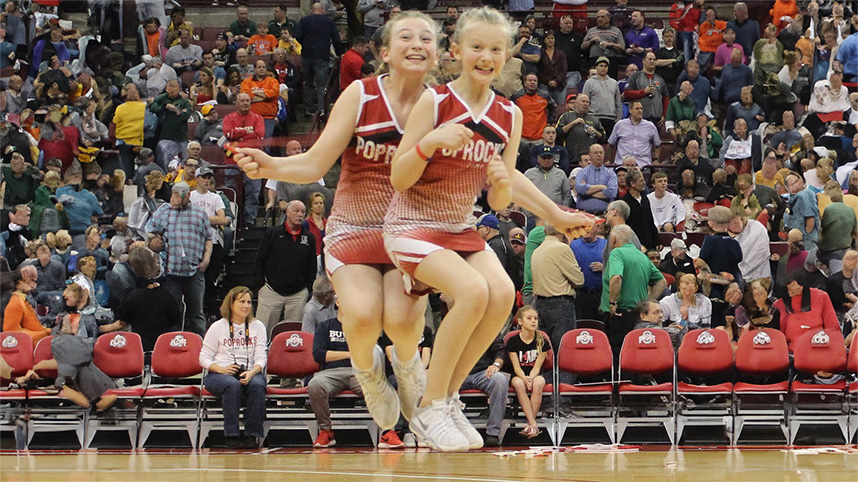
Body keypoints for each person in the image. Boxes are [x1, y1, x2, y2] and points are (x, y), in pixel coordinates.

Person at [383, 7, 593, 452]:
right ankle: (428, 403)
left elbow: (501, 193)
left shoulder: (509, 115)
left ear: (507, 56)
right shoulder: (434, 101)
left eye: (495, 48)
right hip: (411, 224)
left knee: (502, 295)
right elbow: (399, 176)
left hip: (459, 227)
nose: (485, 55)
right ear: (457, 51)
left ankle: (448, 396)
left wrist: (553, 214)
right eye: (476, 46)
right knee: (473, 292)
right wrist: (429, 143)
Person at [237, 12, 440, 444]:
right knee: (365, 314)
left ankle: (407, 377)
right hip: (354, 225)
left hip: (407, 229)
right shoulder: (360, 95)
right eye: (407, 36)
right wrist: (271, 164)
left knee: (405, 328)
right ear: (385, 52)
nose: (418, 43)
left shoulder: (442, 104)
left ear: (436, 53)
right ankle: (368, 375)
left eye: (427, 37)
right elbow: (316, 162)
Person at [199, 287, 268, 449]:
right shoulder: (217, 327)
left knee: (258, 385)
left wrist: (252, 372)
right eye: (242, 302)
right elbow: (203, 357)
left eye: (249, 302)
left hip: (250, 371)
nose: (246, 306)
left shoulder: (258, 326)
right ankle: (231, 434)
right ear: (231, 304)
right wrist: (220, 369)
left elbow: (261, 357)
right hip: (219, 373)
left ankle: (252, 435)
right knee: (232, 384)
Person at [148, 182, 212, 336]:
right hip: (171, 270)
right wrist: (154, 241)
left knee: (196, 311)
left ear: (188, 195)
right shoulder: (163, 212)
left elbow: (209, 238)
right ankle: (172, 343)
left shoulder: (200, 213)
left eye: (179, 194)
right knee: (173, 311)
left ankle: (202, 345)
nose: (175, 198)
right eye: (173, 193)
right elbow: (151, 232)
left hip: (195, 269)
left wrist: (206, 260)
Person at [602, 224, 666, 356]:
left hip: (619, 315)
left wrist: (612, 303)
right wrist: (647, 302)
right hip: (638, 315)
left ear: (613, 239)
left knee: (618, 354)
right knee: (635, 354)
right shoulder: (642, 256)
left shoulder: (617, 253)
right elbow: (661, 281)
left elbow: (616, 277)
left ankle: (619, 377)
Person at [254, 200, 316, 334]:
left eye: (303, 212)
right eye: (296, 211)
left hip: (298, 295)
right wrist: (261, 285)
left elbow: (312, 267)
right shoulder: (272, 234)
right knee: (262, 333)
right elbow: (260, 260)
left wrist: (307, 289)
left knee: (294, 335)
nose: (300, 214)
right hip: (271, 291)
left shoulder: (309, 238)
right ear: (287, 212)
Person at [531, 223, 584, 353]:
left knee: (545, 351)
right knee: (564, 351)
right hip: (560, 305)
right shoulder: (562, 249)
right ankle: (563, 374)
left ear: (544, 231)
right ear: (562, 231)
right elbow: (579, 280)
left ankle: (548, 375)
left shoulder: (537, 251)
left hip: (539, 304)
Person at [458, 334, 508, 448]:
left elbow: (500, 351)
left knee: (499, 380)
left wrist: (496, 365)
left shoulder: (489, 326)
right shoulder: (453, 326)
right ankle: (449, 431)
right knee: (441, 382)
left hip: (483, 372)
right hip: (457, 373)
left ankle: (493, 433)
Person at [505, 306, 548, 439]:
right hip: (519, 375)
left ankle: (530, 422)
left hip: (535, 374)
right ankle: (533, 424)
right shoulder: (513, 341)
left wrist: (530, 378)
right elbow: (516, 367)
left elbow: (537, 367)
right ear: (520, 322)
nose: (533, 321)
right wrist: (524, 378)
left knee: (538, 382)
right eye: (529, 318)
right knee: (518, 384)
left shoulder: (542, 341)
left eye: (535, 318)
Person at [222, 93, 265, 228]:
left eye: (248, 101)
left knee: (253, 194)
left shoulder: (258, 118)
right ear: (236, 103)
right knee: (231, 193)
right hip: (231, 163)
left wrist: (238, 134)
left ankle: (249, 223)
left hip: (252, 162)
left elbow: (259, 135)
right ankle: (232, 221)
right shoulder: (229, 118)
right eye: (242, 101)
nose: (245, 103)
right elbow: (228, 134)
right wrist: (246, 132)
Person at [773, 270, 840, 351]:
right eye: (788, 288)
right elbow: (776, 336)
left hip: (819, 350)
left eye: (794, 285)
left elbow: (833, 328)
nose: (792, 290)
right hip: (790, 353)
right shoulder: (778, 304)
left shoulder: (821, 297)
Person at [295, 3, 341, 117]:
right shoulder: (329, 21)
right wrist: (339, 53)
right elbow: (336, 38)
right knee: (321, 84)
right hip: (322, 55)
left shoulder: (304, 21)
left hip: (307, 55)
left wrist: (305, 44)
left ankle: (308, 108)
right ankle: (321, 109)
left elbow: (298, 36)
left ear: (311, 10)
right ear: (323, 10)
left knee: (308, 82)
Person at [2, 268, 51, 343]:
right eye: (29, 281)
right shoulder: (15, 301)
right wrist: (43, 333)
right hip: (23, 344)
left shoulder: (23, 298)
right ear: (20, 282)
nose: (32, 284)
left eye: (34, 281)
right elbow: (11, 332)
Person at [555, 93, 605, 166]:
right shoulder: (566, 116)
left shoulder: (594, 119)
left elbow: (603, 138)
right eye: (583, 101)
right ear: (576, 103)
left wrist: (595, 131)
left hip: (590, 160)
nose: (585, 104)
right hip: (571, 158)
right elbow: (558, 134)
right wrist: (572, 123)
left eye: (587, 102)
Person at [608, 101, 661, 168]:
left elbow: (657, 145)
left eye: (641, 109)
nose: (640, 111)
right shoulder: (620, 125)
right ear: (630, 110)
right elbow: (611, 144)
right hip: (622, 165)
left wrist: (656, 159)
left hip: (643, 165)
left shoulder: (650, 126)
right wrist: (610, 160)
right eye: (637, 108)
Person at [582, 56, 622, 135]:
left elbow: (618, 103)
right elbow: (584, 102)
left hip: (610, 118)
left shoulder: (614, 83)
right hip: (594, 117)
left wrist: (619, 118)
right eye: (601, 66)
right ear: (596, 67)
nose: (603, 68)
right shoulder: (589, 82)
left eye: (605, 66)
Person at [575, 143, 618, 214]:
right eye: (595, 153)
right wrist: (602, 187)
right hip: (584, 214)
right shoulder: (582, 173)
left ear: (604, 154)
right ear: (590, 155)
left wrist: (587, 193)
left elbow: (612, 193)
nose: (599, 155)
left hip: (604, 215)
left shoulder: (611, 174)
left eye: (601, 153)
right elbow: (579, 189)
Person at [621, 168, 658, 250]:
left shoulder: (645, 199)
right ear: (632, 184)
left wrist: (656, 241)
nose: (644, 183)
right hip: (633, 245)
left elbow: (650, 221)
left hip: (649, 242)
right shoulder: (624, 202)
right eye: (641, 181)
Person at [728, 214, 772, 282]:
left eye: (736, 222)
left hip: (760, 277)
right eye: (731, 224)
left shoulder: (757, 228)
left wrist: (737, 275)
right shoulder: (731, 239)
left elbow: (758, 258)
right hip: (739, 278)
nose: (734, 226)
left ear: (741, 218)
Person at [784, 171, 821, 251]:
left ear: (801, 180)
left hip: (806, 244)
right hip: (796, 243)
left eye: (796, 181)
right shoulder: (791, 198)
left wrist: (805, 237)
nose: (796, 184)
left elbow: (810, 220)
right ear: (788, 188)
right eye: (791, 184)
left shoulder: (805, 194)